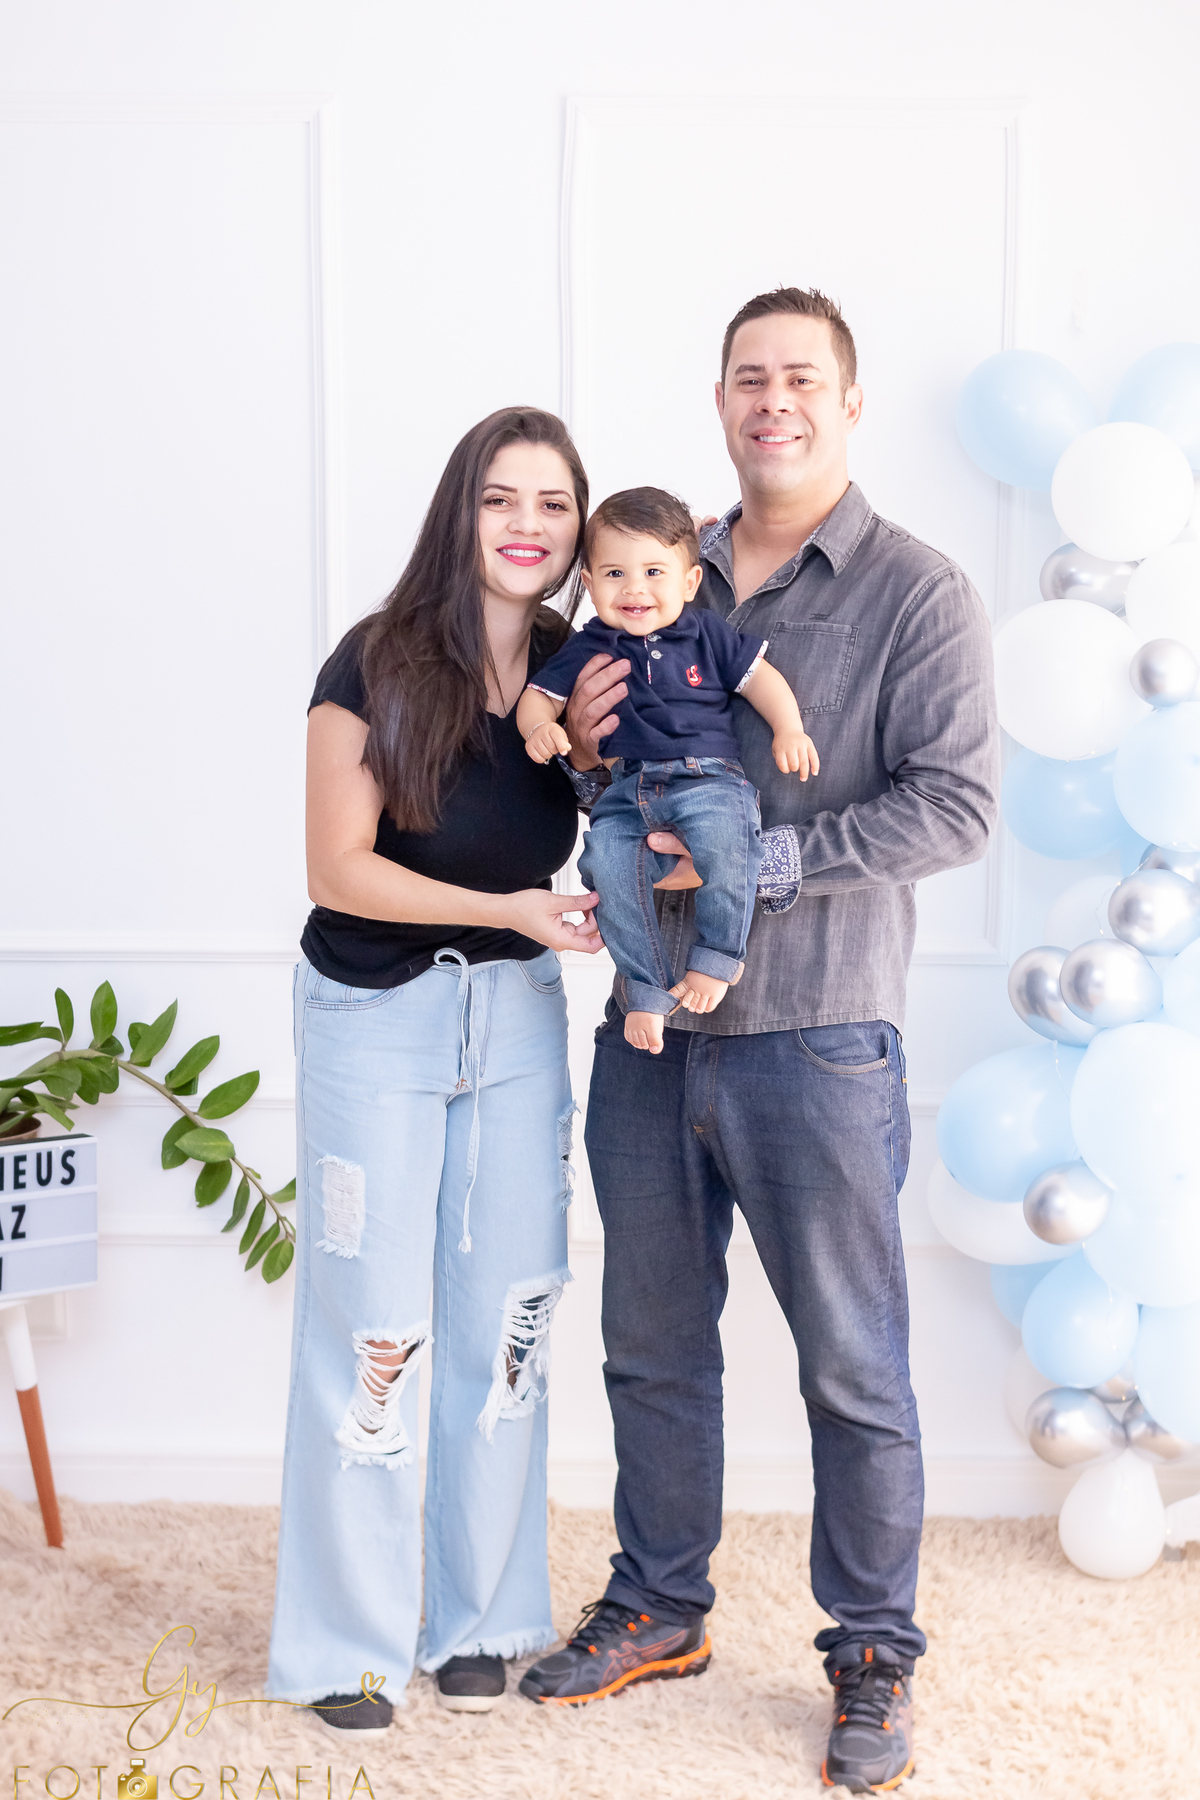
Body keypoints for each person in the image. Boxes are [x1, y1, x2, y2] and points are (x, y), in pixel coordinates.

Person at [520, 289, 999, 1794]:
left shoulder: (919, 593)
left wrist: (765, 867)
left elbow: (957, 806)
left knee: (855, 1369)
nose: (772, 399)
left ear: (852, 404)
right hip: (652, 1036)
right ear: (720, 401)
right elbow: (597, 782)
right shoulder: (655, 571)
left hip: (823, 1041)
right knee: (651, 1348)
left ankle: (871, 1651)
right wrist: (587, 744)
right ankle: (661, 1604)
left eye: (802, 378)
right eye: (747, 377)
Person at [266, 407, 603, 1729]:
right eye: (501, 498)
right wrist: (519, 908)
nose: (528, 526)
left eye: (554, 506)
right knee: (373, 1333)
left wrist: (572, 743)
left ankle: (482, 1618)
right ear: (461, 511)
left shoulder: (582, 667)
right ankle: (345, 1646)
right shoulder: (374, 661)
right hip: (373, 1016)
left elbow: (642, 797)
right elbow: (334, 868)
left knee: (508, 1320)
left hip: (514, 1021)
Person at [517, 486, 818, 1054]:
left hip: (708, 777)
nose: (634, 589)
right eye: (613, 574)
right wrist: (540, 728)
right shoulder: (591, 644)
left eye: (654, 571)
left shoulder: (704, 633)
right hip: (629, 788)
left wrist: (789, 728)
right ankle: (645, 988)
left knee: (731, 843)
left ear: (688, 582)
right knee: (607, 863)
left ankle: (718, 958)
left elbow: (760, 679)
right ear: (588, 580)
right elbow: (538, 697)